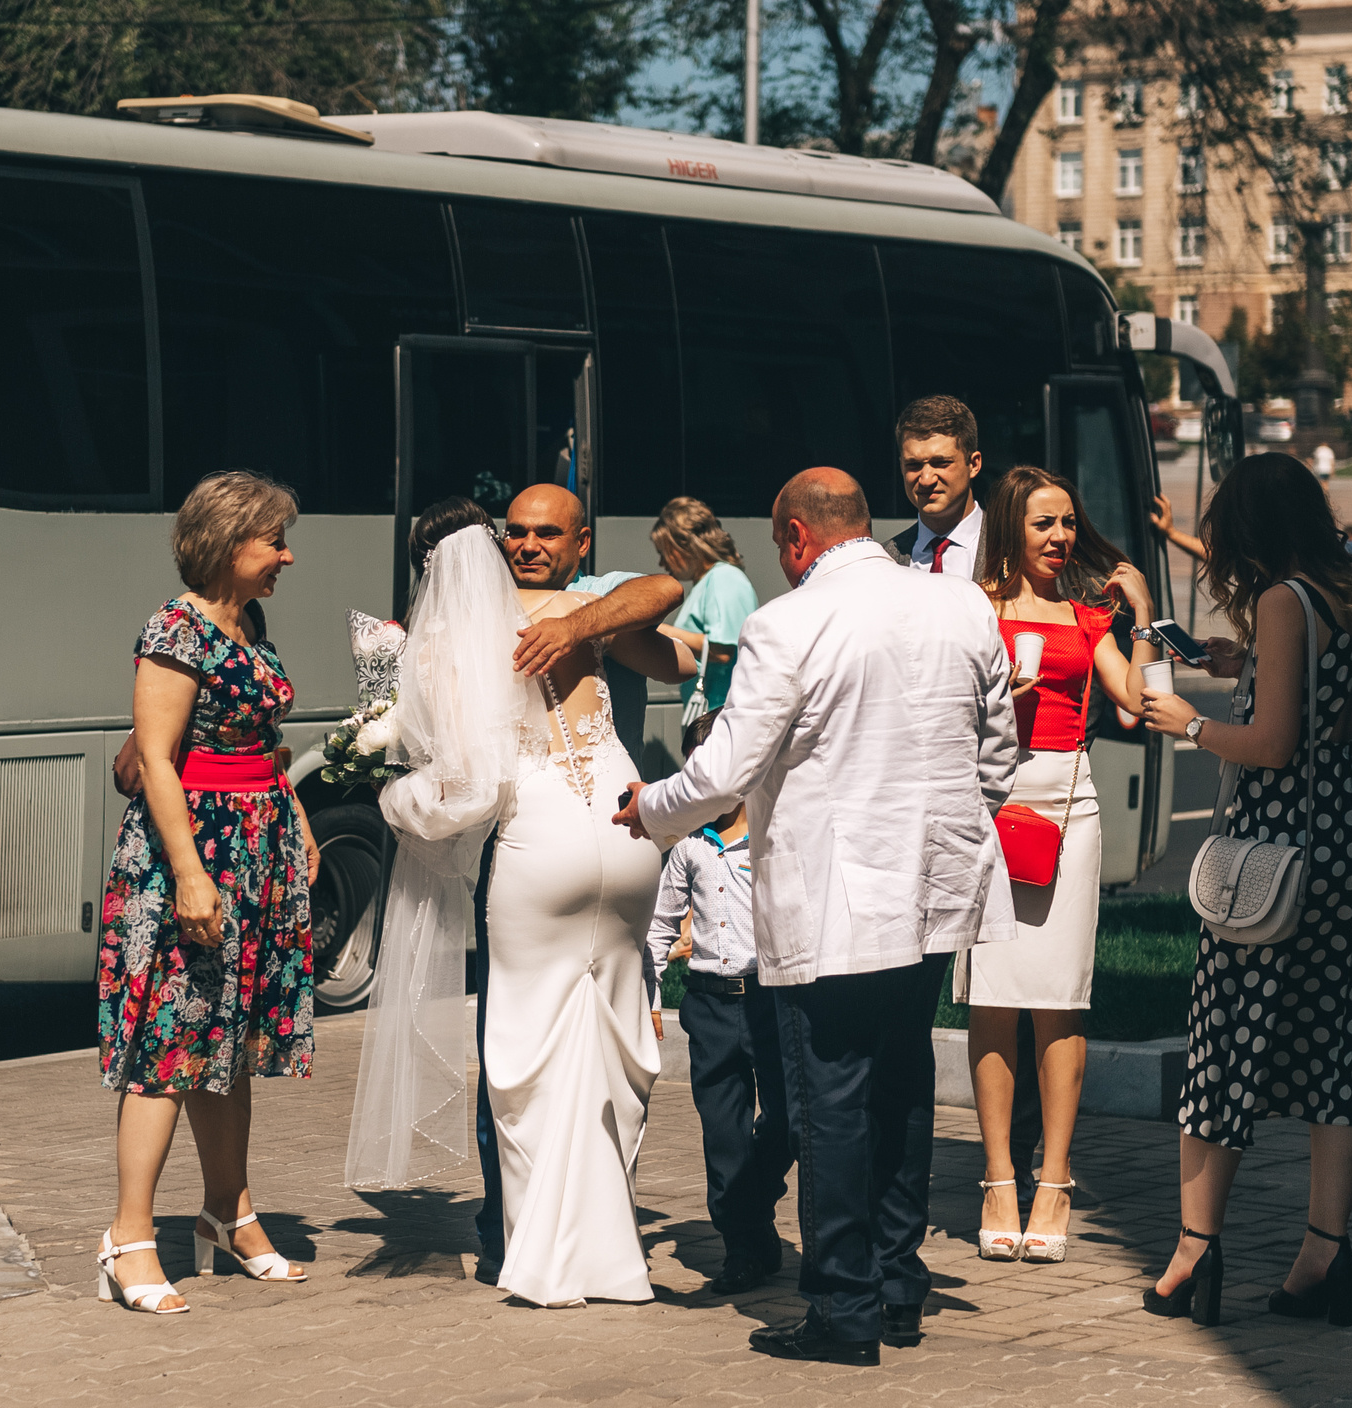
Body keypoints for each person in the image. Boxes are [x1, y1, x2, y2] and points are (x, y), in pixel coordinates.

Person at [614, 468, 1021, 1366]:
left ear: (797, 537)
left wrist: (650, 809)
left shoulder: (787, 622)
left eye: (779, 544)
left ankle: (843, 1307)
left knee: (830, 1100)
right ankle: (899, 1286)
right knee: (902, 1086)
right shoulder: (962, 606)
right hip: (933, 891)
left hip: (834, 901)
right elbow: (997, 757)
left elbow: (725, 770)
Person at [346, 484, 685, 1308]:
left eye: (543, 534)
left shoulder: (442, 643)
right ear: (496, 547)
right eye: (515, 536)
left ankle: (537, 1254)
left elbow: (468, 787)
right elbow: (673, 610)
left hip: (541, 841)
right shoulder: (577, 610)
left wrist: (397, 800)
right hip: (626, 827)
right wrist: (582, 624)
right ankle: (611, 1247)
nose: (526, 547)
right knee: (612, 1044)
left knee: (526, 1055)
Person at [1133, 452, 1352, 1330]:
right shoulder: (1351, 595)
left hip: (1276, 861)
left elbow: (1275, 745)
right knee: (1340, 1050)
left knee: (1224, 1045)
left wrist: (1193, 723)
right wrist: (1241, 662)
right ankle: (1326, 1253)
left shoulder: (1284, 599)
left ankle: (1194, 1251)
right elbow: (1333, 704)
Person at [97, 471, 319, 1315]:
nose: (287, 558)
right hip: (192, 856)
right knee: (170, 1043)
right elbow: (157, 759)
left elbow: (260, 739)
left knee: (229, 1045)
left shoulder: (247, 623)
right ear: (229, 544)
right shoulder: (175, 629)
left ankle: (230, 1213)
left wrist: (295, 818)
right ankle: (128, 1238)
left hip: (255, 848)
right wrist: (190, 875)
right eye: (275, 542)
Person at [964, 466, 1164, 1267]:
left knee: (1059, 999)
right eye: (1044, 523)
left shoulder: (1087, 617)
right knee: (991, 995)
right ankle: (997, 1179)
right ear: (1012, 526)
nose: (1061, 537)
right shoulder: (974, 608)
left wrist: (1143, 618)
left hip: (1069, 803)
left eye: (1069, 522)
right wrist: (994, 695)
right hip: (988, 803)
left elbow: (1138, 706)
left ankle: (1054, 1179)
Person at [646, 797, 791, 1295]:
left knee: (789, 1118)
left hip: (770, 1001)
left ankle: (754, 1204)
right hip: (710, 1006)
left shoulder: (774, 832)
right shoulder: (689, 846)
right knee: (724, 1136)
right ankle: (743, 1249)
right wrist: (651, 993)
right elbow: (661, 925)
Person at [651, 496, 760, 734]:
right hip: (713, 719)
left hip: (723, 719)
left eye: (664, 551)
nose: (661, 562)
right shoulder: (708, 582)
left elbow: (723, 650)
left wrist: (661, 631)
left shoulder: (723, 578)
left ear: (684, 544)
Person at [887, 396, 986, 579]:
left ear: (973, 464)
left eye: (941, 463)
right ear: (901, 467)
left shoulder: (1015, 548)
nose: (926, 479)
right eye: (914, 465)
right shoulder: (885, 560)